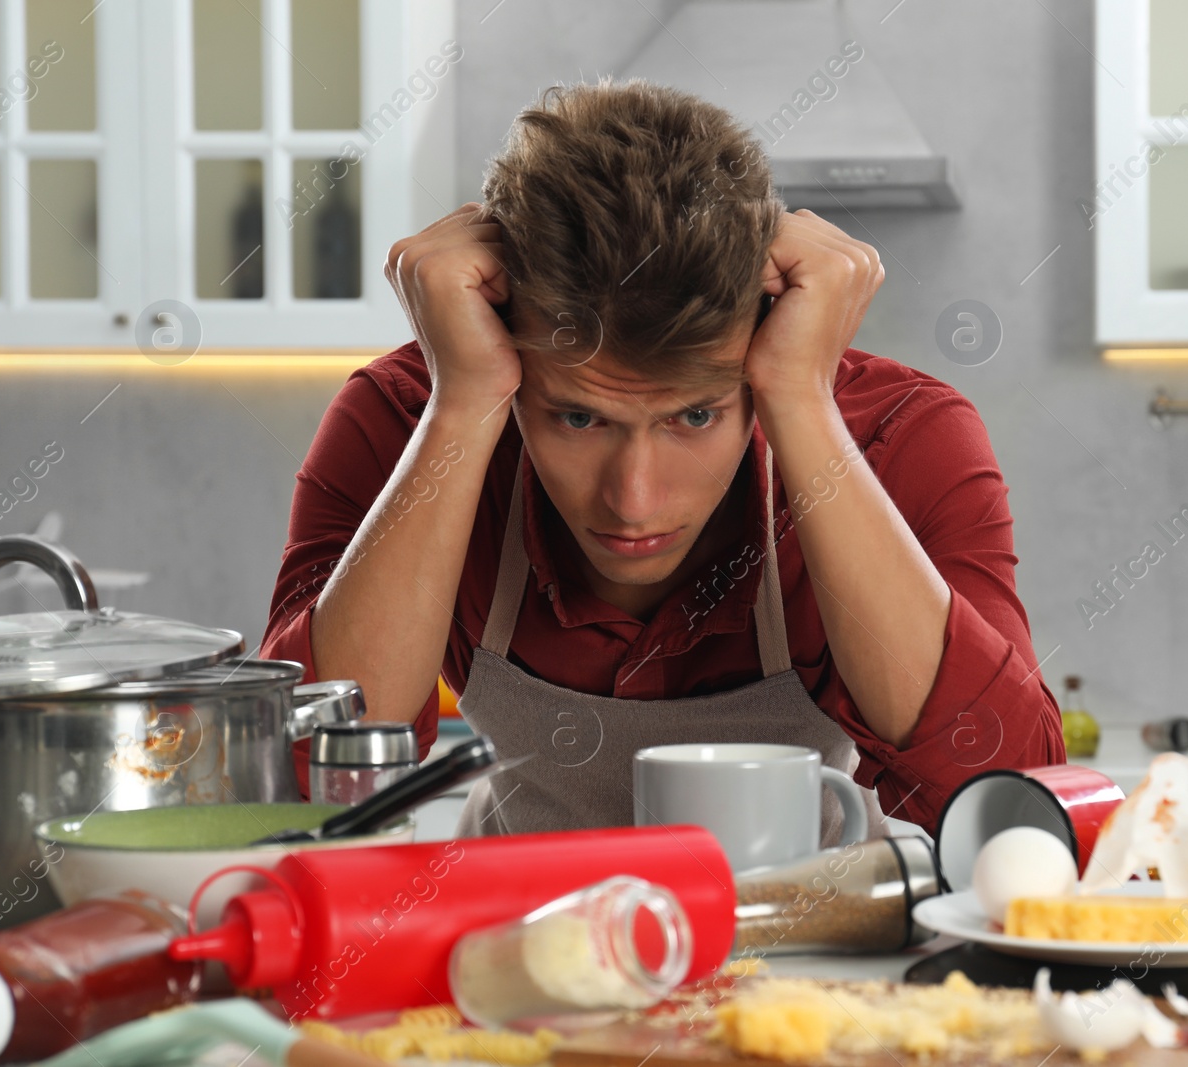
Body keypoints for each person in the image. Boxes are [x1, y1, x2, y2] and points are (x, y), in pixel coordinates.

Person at [260, 78, 1064, 839]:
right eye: (578, 415)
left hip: (819, 967)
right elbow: (304, 782)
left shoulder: (901, 436)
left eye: (695, 413)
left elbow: (1011, 795)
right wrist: (463, 404)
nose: (634, 501)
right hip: (514, 953)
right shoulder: (409, 419)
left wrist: (799, 400)